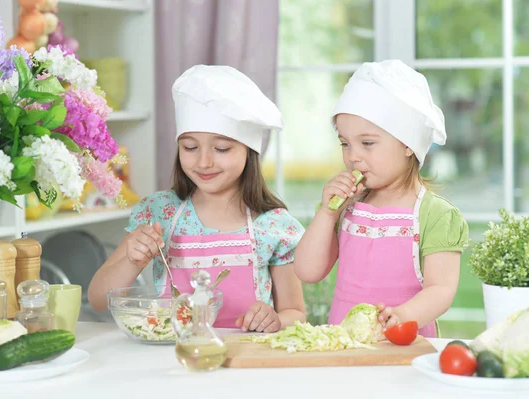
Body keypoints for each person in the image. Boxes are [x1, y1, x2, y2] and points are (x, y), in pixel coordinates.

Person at [88, 65, 306, 333]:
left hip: (245, 360)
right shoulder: (159, 213)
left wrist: (276, 320)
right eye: (190, 147)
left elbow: (296, 313)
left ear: (249, 151)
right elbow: (97, 299)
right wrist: (132, 262)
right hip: (172, 358)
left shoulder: (274, 226)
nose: (204, 162)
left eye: (222, 148)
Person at [293, 60, 469, 337]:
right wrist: (327, 214)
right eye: (345, 143)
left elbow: (441, 289)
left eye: (367, 143)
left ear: (408, 144)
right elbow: (307, 271)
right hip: (344, 344)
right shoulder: (343, 205)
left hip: (405, 345)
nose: (353, 156)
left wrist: (403, 315)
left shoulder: (436, 215)